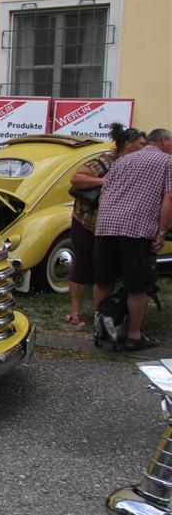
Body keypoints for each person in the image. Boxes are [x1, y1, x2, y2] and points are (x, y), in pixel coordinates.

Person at [93, 128, 172, 351]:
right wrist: (162, 232)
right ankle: (134, 336)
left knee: (103, 280)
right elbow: (169, 197)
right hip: (136, 228)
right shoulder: (168, 161)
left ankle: (101, 330)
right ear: (164, 141)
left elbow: (105, 194)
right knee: (137, 285)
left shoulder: (122, 160)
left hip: (106, 225)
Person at [65, 124, 146, 326]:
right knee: (83, 264)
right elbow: (76, 178)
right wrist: (104, 181)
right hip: (87, 221)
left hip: (111, 224)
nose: (144, 148)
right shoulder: (106, 161)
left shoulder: (136, 164)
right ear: (128, 144)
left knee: (105, 270)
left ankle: (105, 313)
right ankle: (75, 313)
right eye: (141, 144)